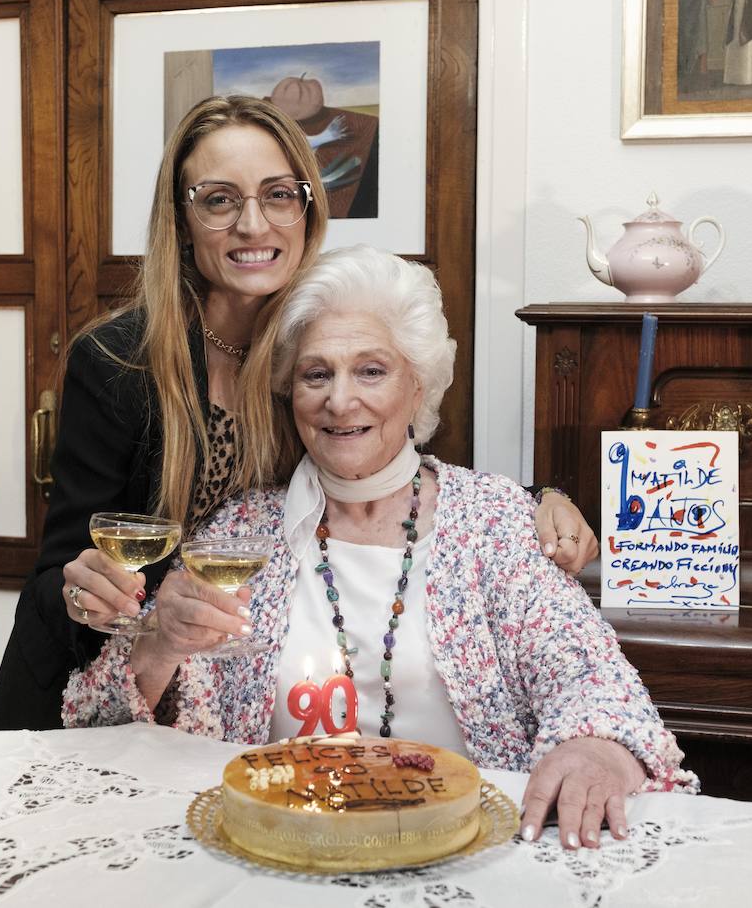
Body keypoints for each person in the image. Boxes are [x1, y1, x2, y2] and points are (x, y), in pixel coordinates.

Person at [0, 96, 599, 731]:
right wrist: (85, 592)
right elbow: (60, 571)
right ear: (183, 218)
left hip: (210, 697)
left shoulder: (310, 344)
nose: (253, 226)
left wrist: (536, 500)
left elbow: (389, 456)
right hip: (81, 694)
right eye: (220, 200)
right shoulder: (119, 361)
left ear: (308, 206)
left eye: (278, 195)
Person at [62, 246, 699, 851]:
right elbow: (108, 729)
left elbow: (592, 680)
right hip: (281, 853)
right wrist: (160, 646)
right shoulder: (240, 531)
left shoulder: (496, 522)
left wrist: (594, 749)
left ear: (417, 388)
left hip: (459, 851)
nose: (340, 400)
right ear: (291, 392)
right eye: (317, 374)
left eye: (371, 370)